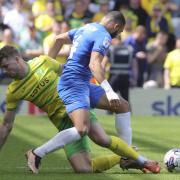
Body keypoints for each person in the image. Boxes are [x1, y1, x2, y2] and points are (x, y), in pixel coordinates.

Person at [25, 11, 161, 173]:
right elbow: (94, 64)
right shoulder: (104, 36)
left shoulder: (86, 28)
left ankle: (127, 157)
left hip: (82, 84)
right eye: (119, 32)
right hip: (73, 85)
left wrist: (47, 64)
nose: (118, 35)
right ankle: (37, 153)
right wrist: (109, 91)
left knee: (123, 106)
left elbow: (58, 39)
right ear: (116, 26)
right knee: (82, 129)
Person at [0, 45, 160, 174]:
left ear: (17, 59)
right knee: (84, 169)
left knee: (102, 138)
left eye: (6, 66)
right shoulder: (13, 91)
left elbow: (67, 71)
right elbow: (6, 125)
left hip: (77, 106)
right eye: (3, 69)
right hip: (63, 123)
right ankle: (122, 158)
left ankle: (142, 160)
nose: (5, 71)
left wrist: (88, 89)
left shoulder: (43, 62)